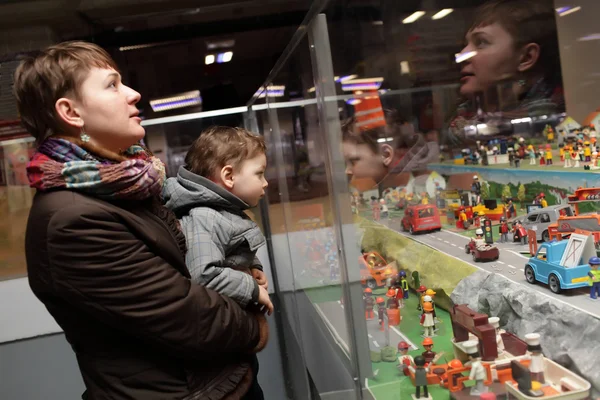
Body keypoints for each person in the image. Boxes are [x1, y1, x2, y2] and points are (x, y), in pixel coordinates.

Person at [19, 41, 268, 400]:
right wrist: (253, 318)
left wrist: (236, 273)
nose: (133, 94)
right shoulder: (72, 220)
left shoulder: (128, 184)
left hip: (216, 382)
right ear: (71, 112)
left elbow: (182, 265)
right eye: (112, 85)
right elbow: (187, 317)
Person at [163, 127, 273, 314]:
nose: (265, 182)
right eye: (259, 173)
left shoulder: (222, 211)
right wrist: (251, 288)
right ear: (229, 176)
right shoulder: (205, 216)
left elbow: (231, 247)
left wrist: (253, 266)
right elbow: (203, 275)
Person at [448, 0, 563, 145]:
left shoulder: (548, 120)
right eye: (466, 45)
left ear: (526, 58)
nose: (461, 56)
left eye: (481, 42)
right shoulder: (466, 115)